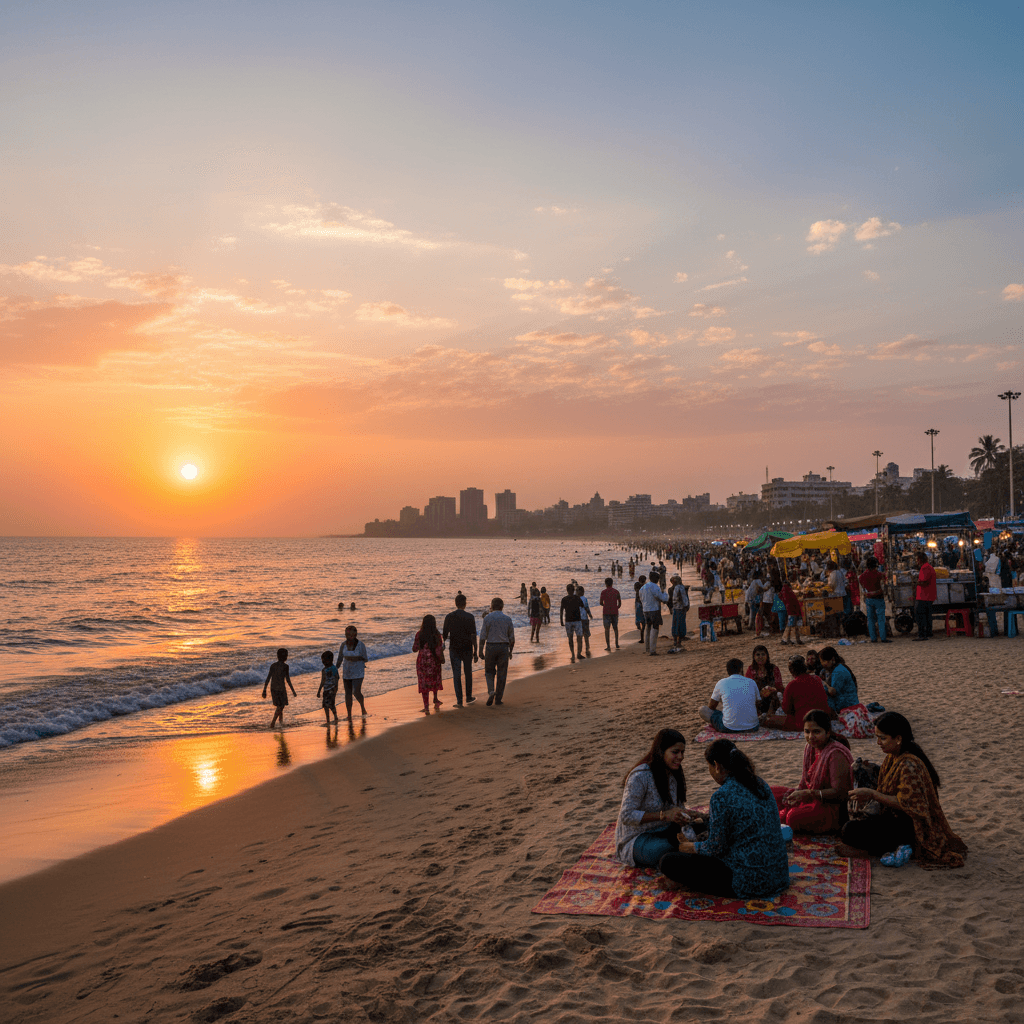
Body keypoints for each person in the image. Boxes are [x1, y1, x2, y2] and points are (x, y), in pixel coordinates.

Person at [659, 740, 789, 898]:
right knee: (700, 827)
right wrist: (703, 818)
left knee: (668, 861)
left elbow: (716, 848)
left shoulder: (721, 796)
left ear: (716, 765)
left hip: (750, 882)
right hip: (778, 876)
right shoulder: (759, 783)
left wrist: (691, 847)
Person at [841, 712, 967, 868]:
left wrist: (872, 794)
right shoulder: (892, 757)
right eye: (878, 737)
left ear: (898, 739)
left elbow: (909, 805)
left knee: (849, 830)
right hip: (893, 817)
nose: (878, 742)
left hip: (911, 827)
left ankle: (894, 848)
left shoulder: (909, 764)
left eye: (883, 738)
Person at [615, 728, 702, 867]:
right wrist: (663, 815)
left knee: (704, 827)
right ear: (661, 751)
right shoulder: (640, 776)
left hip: (665, 831)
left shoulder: (674, 773)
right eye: (675, 752)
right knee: (665, 849)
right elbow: (627, 815)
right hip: (636, 839)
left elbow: (677, 808)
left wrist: (687, 814)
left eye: (682, 752)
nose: (680, 757)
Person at [771, 710, 853, 833]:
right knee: (771, 793)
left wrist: (809, 794)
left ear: (827, 732)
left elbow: (840, 793)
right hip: (812, 796)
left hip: (832, 808)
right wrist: (799, 794)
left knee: (792, 817)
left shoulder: (835, 754)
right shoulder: (810, 747)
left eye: (816, 732)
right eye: (807, 732)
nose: (810, 737)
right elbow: (805, 782)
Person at [762, 655, 830, 731]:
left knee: (768, 719)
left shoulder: (792, 685)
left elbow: (787, 710)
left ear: (791, 670)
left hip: (804, 723)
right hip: (823, 720)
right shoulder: (816, 678)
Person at [698, 658, 761, 733]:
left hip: (728, 728)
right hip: (753, 727)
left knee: (703, 710)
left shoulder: (721, 683)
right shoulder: (751, 682)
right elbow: (758, 704)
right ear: (741, 669)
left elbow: (711, 707)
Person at [442, 594, 478, 707]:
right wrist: (475, 651)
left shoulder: (449, 616)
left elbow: (444, 634)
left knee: (456, 674)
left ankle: (459, 701)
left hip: (454, 648)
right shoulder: (470, 617)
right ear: (465, 604)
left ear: (455, 603)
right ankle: (468, 697)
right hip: (467, 648)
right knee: (468, 673)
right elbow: (473, 636)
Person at [478, 597, 515, 706]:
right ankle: (498, 699)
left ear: (492, 606)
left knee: (489, 672)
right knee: (502, 673)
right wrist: (510, 651)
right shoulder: (507, 619)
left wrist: (480, 650)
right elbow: (512, 639)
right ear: (502, 607)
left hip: (490, 647)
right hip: (503, 647)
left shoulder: (487, 618)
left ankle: (491, 691)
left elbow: (482, 636)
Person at [413, 614, 445, 711]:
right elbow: (439, 649)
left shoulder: (419, 634)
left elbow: (414, 649)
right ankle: (435, 699)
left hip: (422, 661)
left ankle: (426, 706)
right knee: (434, 679)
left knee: (424, 683)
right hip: (434, 660)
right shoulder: (437, 634)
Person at [338, 625, 369, 720]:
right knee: (347, 693)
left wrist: (354, 658)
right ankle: (349, 714)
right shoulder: (343, 645)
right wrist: (335, 669)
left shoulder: (361, 645)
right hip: (347, 672)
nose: (349, 636)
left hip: (358, 671)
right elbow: (339, 658)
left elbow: (365, 659)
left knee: (356, 691)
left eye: (351, 634)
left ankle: (362, 707)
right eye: (347, 634)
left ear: (355, 635)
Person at [818, 646, 858, 717]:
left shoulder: (838, 671)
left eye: (823, 661)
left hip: (847, 706)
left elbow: (833, 692)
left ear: (832, 659)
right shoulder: (836, 669)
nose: (822, 664)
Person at [262, 647, 296, 729]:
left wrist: (264, 690)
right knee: (281, 706)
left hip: (273, 688)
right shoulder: (285, 666)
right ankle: (273, 723)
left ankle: (281, 723)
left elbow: (268, 678)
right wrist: (293, 690)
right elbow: (287, 680)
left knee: (280, 706)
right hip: (281, 689)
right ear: (285, 657)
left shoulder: (273, 665)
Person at [858, 555, 890, 643]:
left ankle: (873, 638)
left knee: (870, 619)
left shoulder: (862, 576)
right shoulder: (879, 575)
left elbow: (863, 588)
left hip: (868, 599)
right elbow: (884, 585)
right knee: (881, 619)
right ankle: (883, 637)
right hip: (878, 598)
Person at [745, 644, 783, 714]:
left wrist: (771, 690)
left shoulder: (774, 668)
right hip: (757, 700)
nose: (760, 657)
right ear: (754, 657)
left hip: (773, 699)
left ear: (767, 656)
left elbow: (779, 687)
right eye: (758, 655)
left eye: (763, 654)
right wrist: (760, 694)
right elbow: (746, 688)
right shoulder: (751, 669)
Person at [639, 571, 670, 656]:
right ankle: (652, 650)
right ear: (656, 579)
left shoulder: (643, 588)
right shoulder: (655, 587)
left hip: (645, 610)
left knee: (648, 628)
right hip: (654, 609)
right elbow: (663, 598)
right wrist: (664, 593)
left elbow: (641, 599)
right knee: (655, 628)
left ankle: (647, 648)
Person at [914, 551, 937, 641]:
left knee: (920, 615)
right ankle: (928, 632)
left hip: (924, 596)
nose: (916, 561)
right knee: (927, 615)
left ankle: (922, 634)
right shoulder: (927, 567)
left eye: (917, 559)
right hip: (928, 595)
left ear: (920, 560)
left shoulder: (925, 568)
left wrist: (917, 582)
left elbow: (924, 582)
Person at [559, 583, 585, 663]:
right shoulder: (577, 598)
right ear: (573, 590)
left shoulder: (564, 599)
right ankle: (578, 654)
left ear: (567, 590)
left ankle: (573, 654)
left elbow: (561, 610)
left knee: (570, 638)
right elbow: (582, 606)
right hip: (577, 620)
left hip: (568, 621)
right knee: (579, 637)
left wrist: (561, 620)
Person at [317, 650, 340, 725]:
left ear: (330, 660)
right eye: (322, 661)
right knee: (327, 704)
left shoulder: (330, 669)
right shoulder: (331, 669)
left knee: (329, 704)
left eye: (324, 661)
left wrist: (336, 688)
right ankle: (331, 718)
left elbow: (336, 678)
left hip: (330, 689)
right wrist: (319, 690)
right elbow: (323, 681)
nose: (323, 663)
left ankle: (333, 717)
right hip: (328, 689)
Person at [599, 576, 621, 651]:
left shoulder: (603, 592)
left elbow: (601, 603)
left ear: (605, 584)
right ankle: (617, 644)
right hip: (614, 611)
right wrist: (616, 607)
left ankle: (608, 646)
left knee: (607, 629)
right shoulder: (616, 591)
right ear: (612, 583)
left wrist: (605, 605)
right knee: (615, 628)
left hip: (606, 612)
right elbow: (619, 603)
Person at [669, 575, 689, 652]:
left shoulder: (674, 589)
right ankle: (678, 642)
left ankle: (676, 641)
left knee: (676, 625)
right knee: (680, 626)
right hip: (680, 608)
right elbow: (682, 597)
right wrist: (686, 606)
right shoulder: (680, 588)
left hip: (676, 609)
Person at [780, 579, 803, 646]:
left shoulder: (786, 590)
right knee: (790, 625)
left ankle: (794, 639)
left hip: (792, 609)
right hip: (792, 609)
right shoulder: (786, 590)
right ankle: (785, 639)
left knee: (793, 625)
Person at [576, 585, 593, 657]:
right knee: (586, 635)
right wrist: (590, 615)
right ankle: (587, 649)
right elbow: (587, 608)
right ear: (583, 592)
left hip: (578, 620)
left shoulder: (575, 599)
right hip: (584, 619)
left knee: (579, 636)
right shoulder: (584, 598)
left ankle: (579, 651)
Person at [633, 577, 647, 645]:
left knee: (638, 620)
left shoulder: (637, 585)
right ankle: (642, 637)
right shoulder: (645, 586)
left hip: (638, 603)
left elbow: (635, 589)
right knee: (643, 622)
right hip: (644, 604)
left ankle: (641, 637)